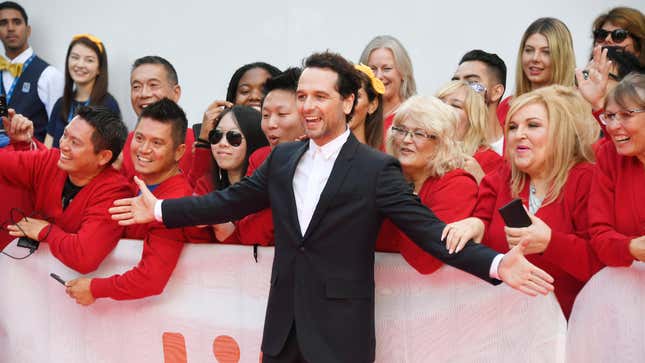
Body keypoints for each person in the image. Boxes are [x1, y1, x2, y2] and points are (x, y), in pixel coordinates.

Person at [110, 51, 554, 363]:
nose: (308, 106)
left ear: (348, 102)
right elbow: (228, 200)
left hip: (342, 335)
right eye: (303, 96)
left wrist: (497, 265)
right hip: (282, 330)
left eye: (320, 97)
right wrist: (163, 212)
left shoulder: (376, 169)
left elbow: (426, 232)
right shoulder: (282, 158)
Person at [443, 85, 603, 318]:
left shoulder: (586, 180)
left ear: (561, 132)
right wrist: (474, 224)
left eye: (533, 125)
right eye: (513, 127)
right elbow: (483, 223)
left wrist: (551, 243)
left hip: (567, 328)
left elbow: (600, 263)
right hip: (501, 323)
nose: (519, 134)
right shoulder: (501, 177)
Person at [65, 98, 210, 305]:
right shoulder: (134, 184)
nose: (143, 149)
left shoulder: (174, 202)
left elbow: (151, 279)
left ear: (179, 151)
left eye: (157, 142)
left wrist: (94, 288)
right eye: (139, 138)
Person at [1, 105, 130, 273]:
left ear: (103, 156)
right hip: (35, 278)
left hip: (81, 290)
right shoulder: (50, 160)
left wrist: (46, 231)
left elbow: (85, 257)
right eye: (65, 135)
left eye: (75, 142)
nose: (64, 145)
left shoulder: (115, 193)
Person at [375, 95, 478, 271]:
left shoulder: (458, 185)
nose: (406, 139)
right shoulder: (382, 176)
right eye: (400, 130)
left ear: (441, 143)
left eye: (419, 133)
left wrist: (403, 201)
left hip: (431, 295)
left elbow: (425, 260)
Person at [214, 67, 305, 247]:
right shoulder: (260, 158)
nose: (271, 124)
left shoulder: (327, 162)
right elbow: (249, 232)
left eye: (282, 114)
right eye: (265, 115)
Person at [191, 62, 280, 186]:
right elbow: (197, 192)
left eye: (234, 138)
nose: (254, 96)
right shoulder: (211, 140)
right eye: (245, 91)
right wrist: (204, 140)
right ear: (231, 101)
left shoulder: (292, 141)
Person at [588, 73, 645, 267]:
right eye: (610, 116)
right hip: (627, 279)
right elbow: (599, 234)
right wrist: (630, 247)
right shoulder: (609, 156)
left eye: (627, 115)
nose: (612, 127)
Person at [193, 105, 269, 244]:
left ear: (253, 139)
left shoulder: (265, 192)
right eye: (216, 136)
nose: (222, 143)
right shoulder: (206, 185)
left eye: (233, 137)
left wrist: (221, 226)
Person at [120, 56, 194, 180]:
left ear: (176, 93)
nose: (144, 94)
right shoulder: (128, 143)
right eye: (136, 87)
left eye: (153, 85)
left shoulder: (195, 144)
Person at [0, 1, 63, 143]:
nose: (10, 28)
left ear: (28, 30)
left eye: (16, 22)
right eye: (3, 23)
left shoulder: (49, 75)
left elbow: (58, 130)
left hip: (32, 161)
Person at [45, 34, 120, 148]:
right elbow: (47, 149)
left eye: (89, 60)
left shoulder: (108, 105)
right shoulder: (61, 104)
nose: (80, 64)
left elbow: (113, 155)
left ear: (99, 68)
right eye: (75, 57)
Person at [498, 18, 576, 125]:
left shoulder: (576, 110)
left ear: (562, 58)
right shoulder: (506, 106)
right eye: (529, 50)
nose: (535, 58)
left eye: (546, 52)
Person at [436, 80, 503, 181]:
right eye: (440, 102)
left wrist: (481, 180)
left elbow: (503, 196)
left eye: (455, 105)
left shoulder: (490, 160)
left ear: (472, 119)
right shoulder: (419, 148)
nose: (444, 108)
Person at [451, 49, 507, 152]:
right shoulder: (447, 145)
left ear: (496, 92)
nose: (460, 87)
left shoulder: (516, 144)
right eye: (455, 81)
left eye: (472, 82)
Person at [359, 35, 416, 134]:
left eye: (387, 69)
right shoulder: (358, 116)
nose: (378, 76)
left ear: (403, 72)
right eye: (372, 69)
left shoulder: (414, 117)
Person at [349, 63, 384, 149]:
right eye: (343, 95)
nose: (348, 104)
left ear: (372, 105)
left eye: (356, 96)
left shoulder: (378, 161)